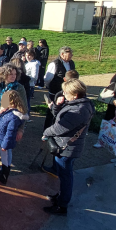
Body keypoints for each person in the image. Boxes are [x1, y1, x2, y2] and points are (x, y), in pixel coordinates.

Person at [41, 78, 95, 215]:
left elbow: (60, 128)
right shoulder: (79, 104)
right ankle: (61, 196)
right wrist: (58, 105)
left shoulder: (78, 110)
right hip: (69, 146)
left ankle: (62, 205)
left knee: (65, 176)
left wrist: (46, 132)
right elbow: (57, 115)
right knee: (64, 174)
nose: (63, 95)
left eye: (65, 93)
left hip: (67, 147)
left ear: (75, 94)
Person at [0, 89, 28, 185]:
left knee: (5, 159)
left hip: (4, 142)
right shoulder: (6, 111)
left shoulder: (14, 117)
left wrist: (5, 145)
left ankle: (3, 176)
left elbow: (10, 133)